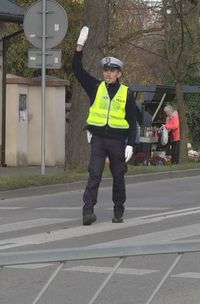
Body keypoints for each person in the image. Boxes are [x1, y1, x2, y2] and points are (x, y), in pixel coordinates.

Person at [73, 26, 139, 225]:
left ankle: (118, 210)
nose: (108, 74)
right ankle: (88, 211)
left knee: (118, 176)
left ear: (119, 73)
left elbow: (132, 121)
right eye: (106, 70)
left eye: (112, 71)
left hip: (118, 141)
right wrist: (79, 46)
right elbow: (77, 70)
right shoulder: (95, 87)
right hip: (99, 139)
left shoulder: (126, 93)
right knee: (94, 174)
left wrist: (131, 145)